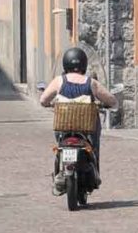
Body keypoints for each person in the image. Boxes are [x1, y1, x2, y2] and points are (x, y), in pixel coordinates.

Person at [38, 47, 118, 186]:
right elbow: (111, 100)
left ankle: (59, 170)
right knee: (94, 144)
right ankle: (95, 171)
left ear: (65, 63)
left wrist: (49, 104)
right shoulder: (91, 82)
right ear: (84, 64)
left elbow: (43, 100)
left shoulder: (59, 81)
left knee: (60, 143)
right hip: (86, 126)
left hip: (63, 125)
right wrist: (110, 104)